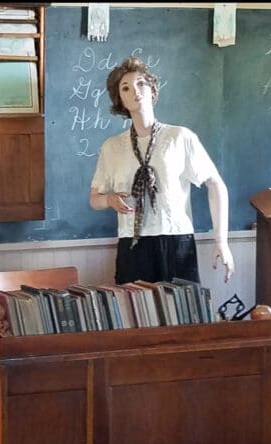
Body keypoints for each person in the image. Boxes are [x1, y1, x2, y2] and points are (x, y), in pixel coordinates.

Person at [89, 57, 234, 285]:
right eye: (125, 88)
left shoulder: (179, 137)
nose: (135, 91)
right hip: (132, 242)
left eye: (140, 83)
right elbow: (94, 198)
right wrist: (108, 200)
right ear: (120, 100)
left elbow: (216, 184)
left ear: (152, 89)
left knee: (184, 315)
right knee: (137, 317)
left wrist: (222, 241)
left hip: (175, 239)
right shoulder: (112, 147)